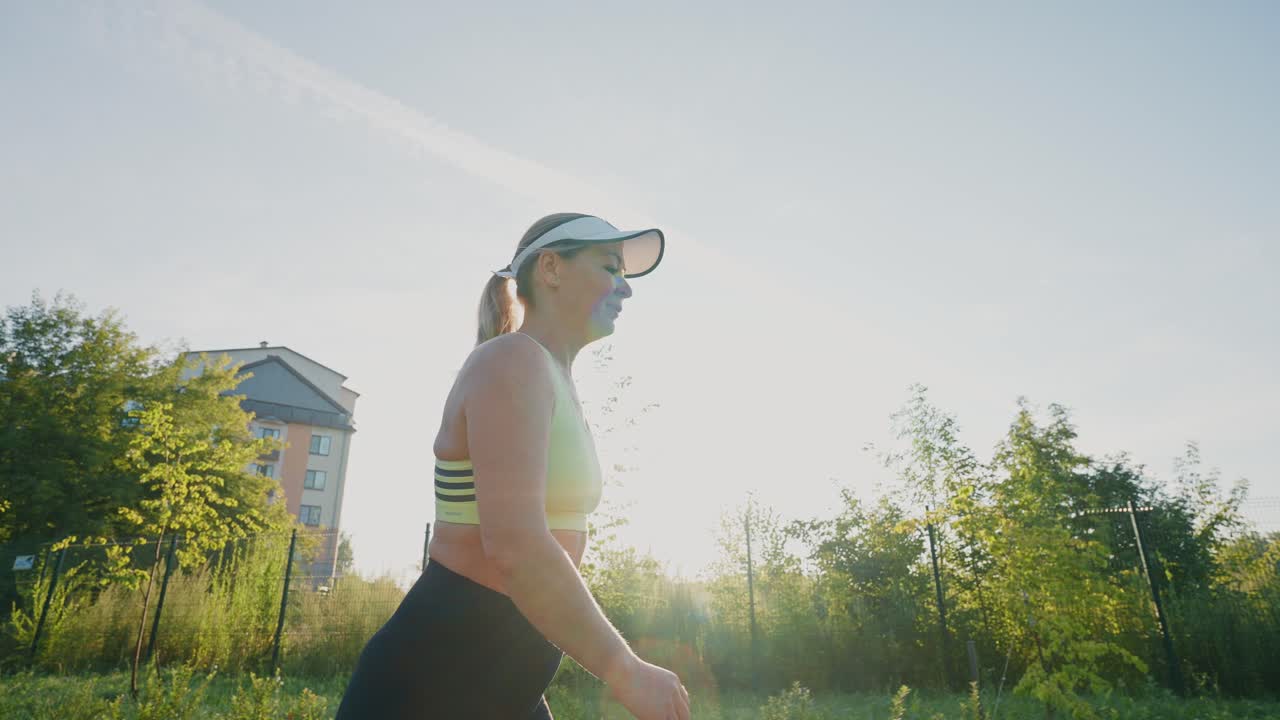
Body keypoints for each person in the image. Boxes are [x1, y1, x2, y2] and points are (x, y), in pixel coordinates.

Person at [335, 213, 690, 719]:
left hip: (501, 675)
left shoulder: (550, 375)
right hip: (435, 676)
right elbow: (515, 544)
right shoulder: (511, 360)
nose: (624, 288)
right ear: (550, 268)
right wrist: (623, 667)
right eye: (610, 267)